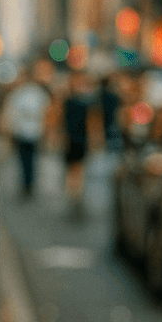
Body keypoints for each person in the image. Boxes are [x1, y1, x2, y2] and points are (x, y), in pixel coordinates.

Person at [1, 60, 53, 199]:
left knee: (26, 161)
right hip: (29, 132)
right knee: (28, 161)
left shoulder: (23, 93)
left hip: (28, 132)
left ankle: (27, 185)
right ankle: (28, 184)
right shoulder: (33, 93)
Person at [61, 71, 93, 221]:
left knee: (74, 171)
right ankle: (75, 195)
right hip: (76, 141)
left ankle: (74, 195)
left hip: (76, 141)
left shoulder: (70, 101)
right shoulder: (82, 101)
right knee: (76, 171)